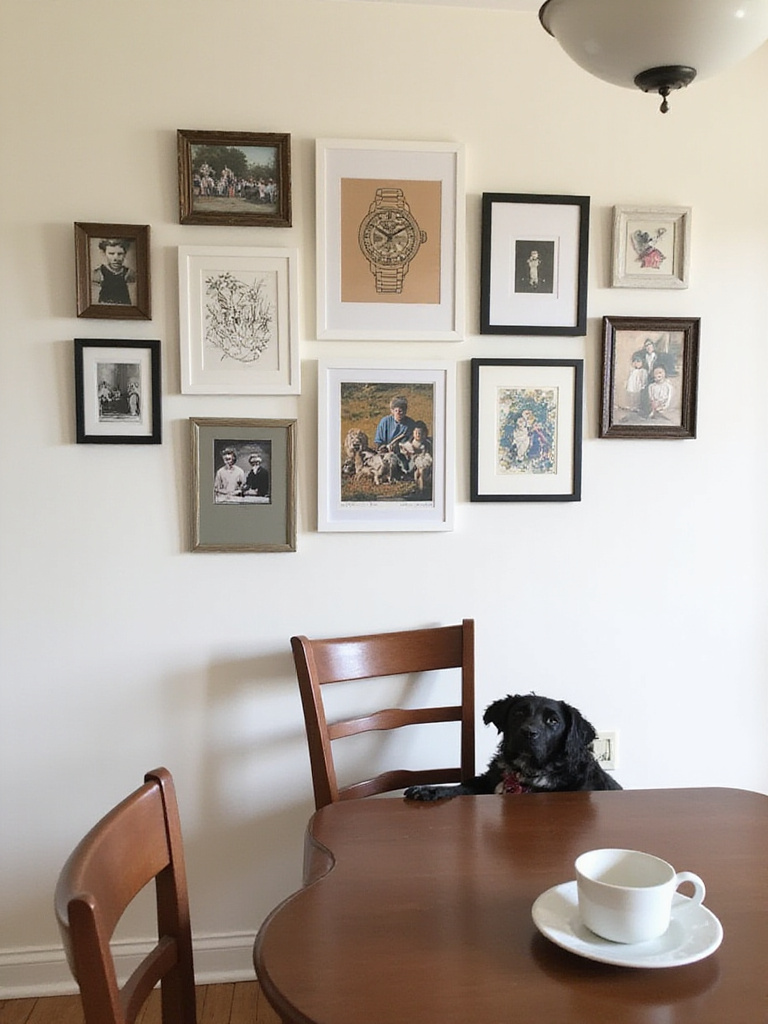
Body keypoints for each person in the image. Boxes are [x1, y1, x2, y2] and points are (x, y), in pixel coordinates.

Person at [91, 238, 137, 305]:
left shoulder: (130, 273)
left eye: (120, 254)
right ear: (104, 254)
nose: (116, 258)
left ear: (125, 254)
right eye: (111, 253)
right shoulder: (98, 273)